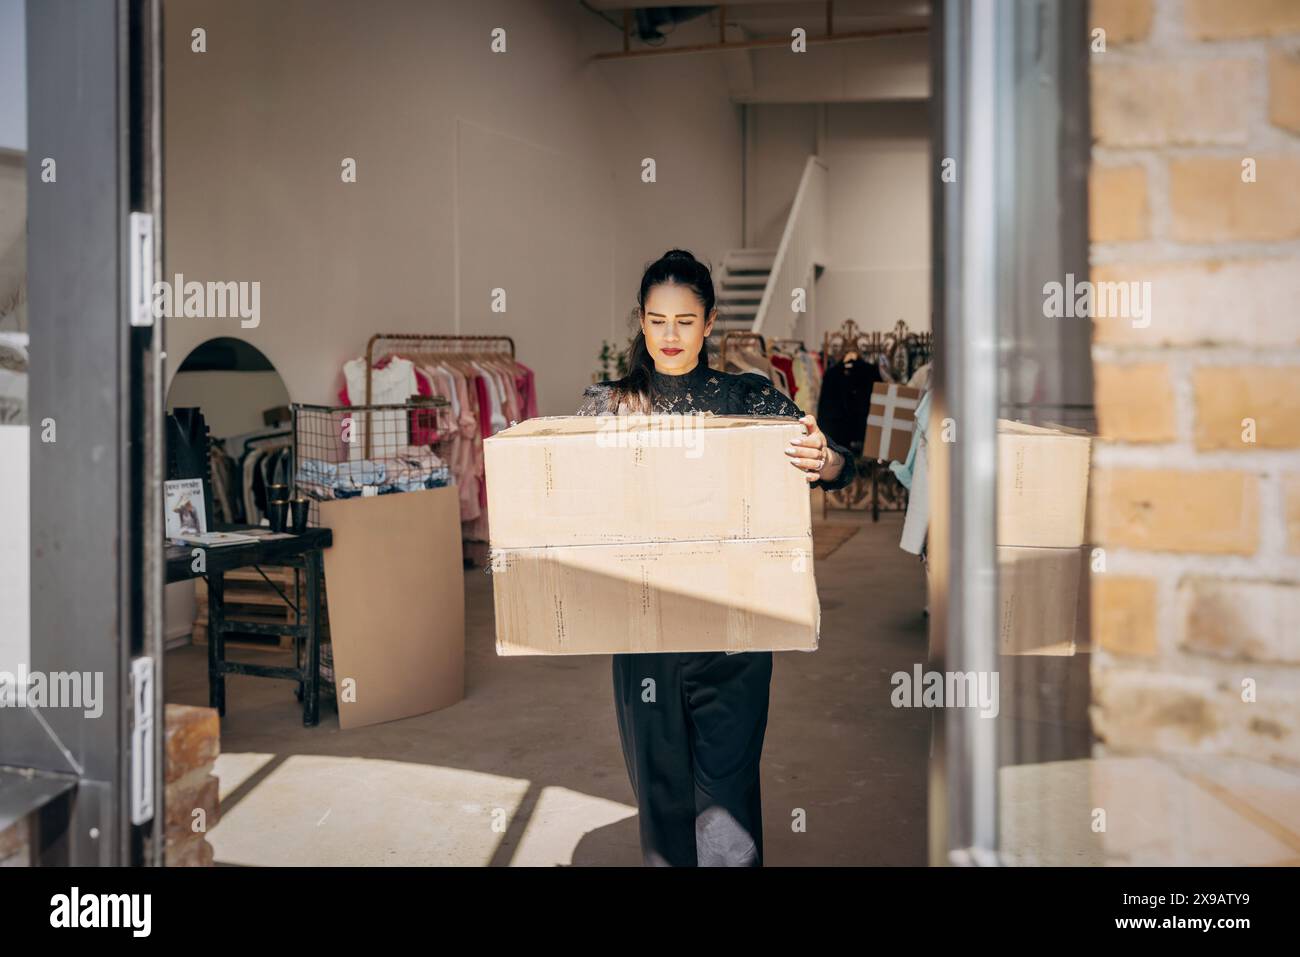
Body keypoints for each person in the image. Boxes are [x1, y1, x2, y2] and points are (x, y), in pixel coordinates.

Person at [575, 248, 857, 866]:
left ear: (708, 324)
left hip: (734, 643)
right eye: (656, 320)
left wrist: (824, 459)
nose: (669, 335)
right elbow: (576, 504)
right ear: (641, 324)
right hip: (644, 639)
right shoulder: (609, 408)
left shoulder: (747, 399)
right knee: (662, 805)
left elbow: (837, 464)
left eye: (684, 320)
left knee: (725, 815)